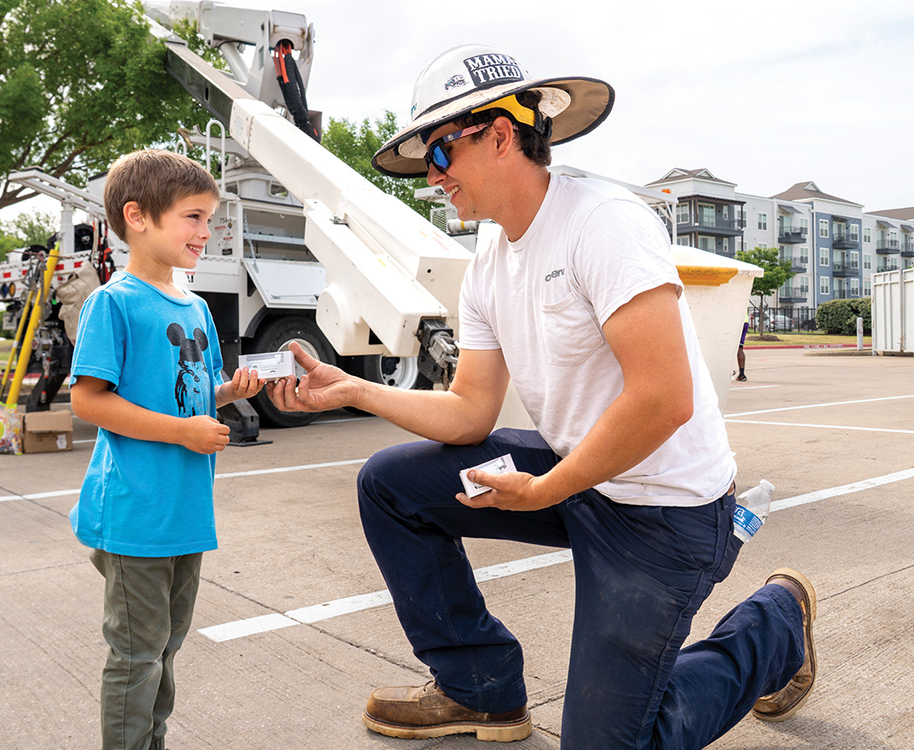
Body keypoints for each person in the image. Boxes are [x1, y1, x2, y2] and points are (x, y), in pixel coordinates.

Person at [267, 45, 817, 749]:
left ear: (500, 134)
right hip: (578, 477)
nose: (434, 180)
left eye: (440, 155)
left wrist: (550, 486)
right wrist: (355, 390)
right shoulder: (489, 265)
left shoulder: (603, 223)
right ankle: (481, 689)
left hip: (665, 511)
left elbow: (664, 399)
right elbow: (471, 412)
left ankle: (775, 625)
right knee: (391, 486)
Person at [69, 150, 265, 750]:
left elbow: (196, 394)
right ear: (137, 217)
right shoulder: (115, 302)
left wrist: (234, 390)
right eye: (193, 217)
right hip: (134, 514)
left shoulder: (198, 308)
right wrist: (183, 432)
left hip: (184, 514)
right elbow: (89, 401)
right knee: (136, 655)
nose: (206, 232)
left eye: (210, 219)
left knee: (165, 649)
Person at [737, 311, 749, 380]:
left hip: (737, 322)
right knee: (740, 348)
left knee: (729, 348)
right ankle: (742, 374)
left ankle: (728, 372)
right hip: (745, 321)